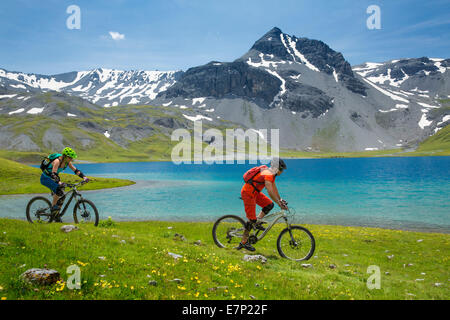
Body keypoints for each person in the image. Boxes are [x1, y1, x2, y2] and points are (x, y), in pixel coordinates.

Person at [237, 157, 288, 251]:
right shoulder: (268, 174)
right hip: (248, 194)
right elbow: (269, 191)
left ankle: (258, 221)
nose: (282, 172)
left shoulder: (271, 174)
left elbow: (274, 188)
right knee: (251, 220)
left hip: (255, 192)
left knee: (269, 205)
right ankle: (244, 242)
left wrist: (280, 199)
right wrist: (279, 203)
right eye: (281, 169)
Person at [40, 147, 89, 220]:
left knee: (63, 195)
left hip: (53, 178)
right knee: (59, 191)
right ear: (65, 156)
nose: (71, 159)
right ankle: (53, 209)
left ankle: (57, 215)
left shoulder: (67, 162)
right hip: (46, 178)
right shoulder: (57, 161)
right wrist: (59, 182)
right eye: (70, 158)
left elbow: (75, 170)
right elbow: (53, 174)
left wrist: (84, 177)